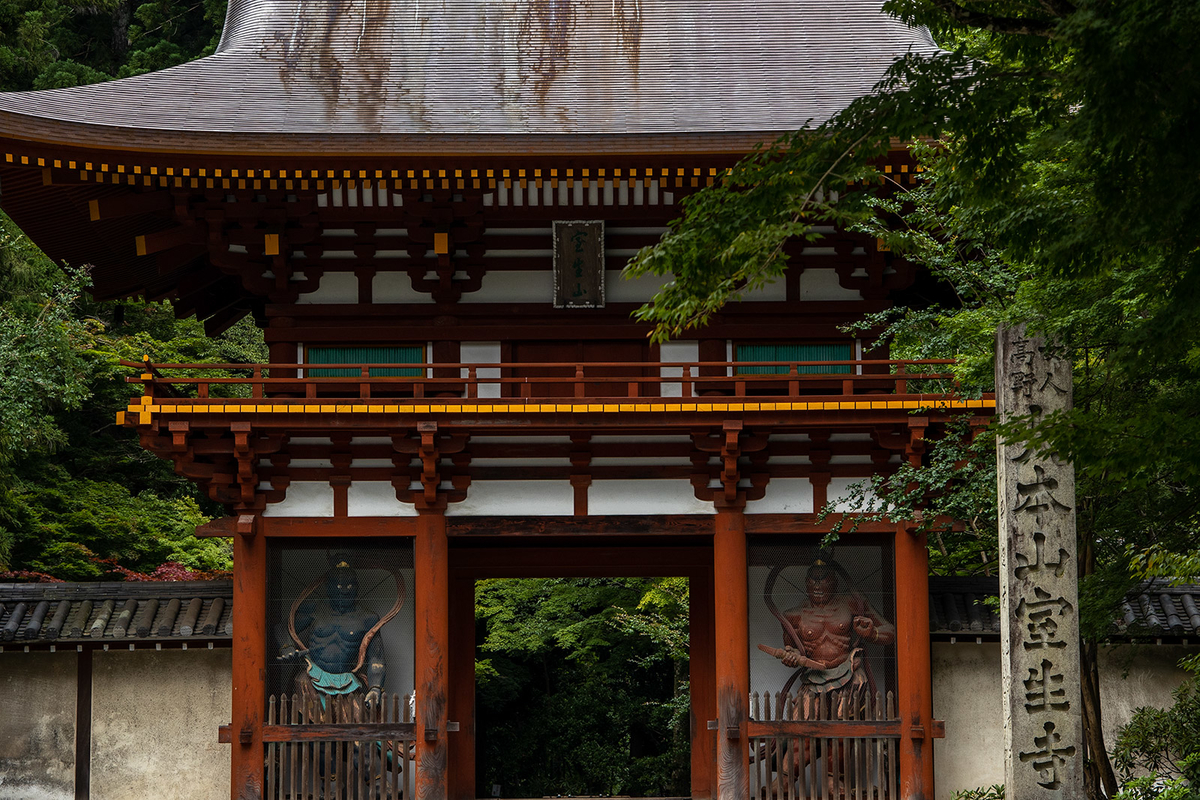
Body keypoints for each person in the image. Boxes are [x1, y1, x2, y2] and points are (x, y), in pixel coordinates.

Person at [279, 559, 386, 713]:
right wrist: (287, 647)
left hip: (347, 681)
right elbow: (284, 627)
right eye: (339, 585)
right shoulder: (316, 609)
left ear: (357, 587)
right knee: (310, 727)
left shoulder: (368, 618)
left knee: (356, 725)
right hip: (312, 676)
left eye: (350, 586)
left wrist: (375, 688)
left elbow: (376, 659)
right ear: (328, 588)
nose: (345, 590)